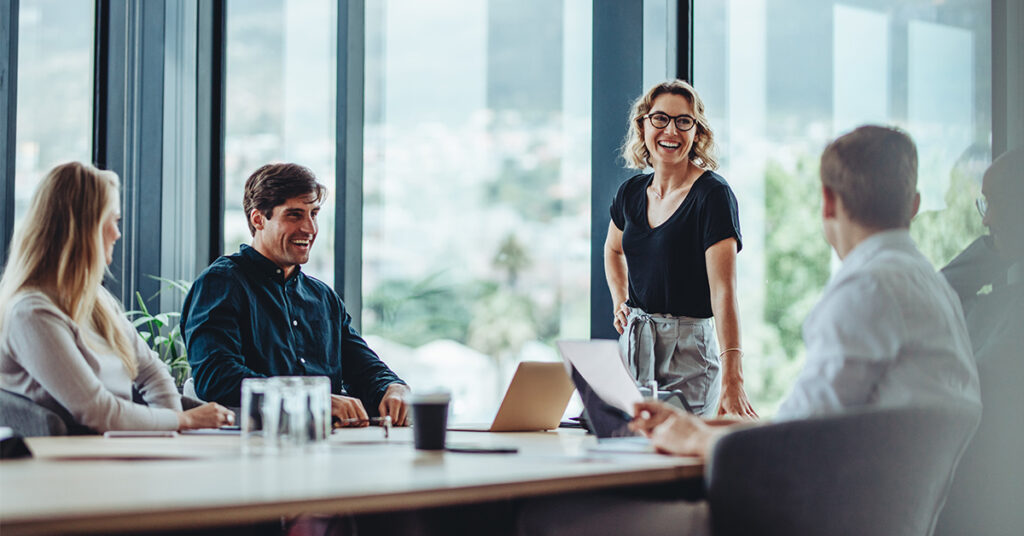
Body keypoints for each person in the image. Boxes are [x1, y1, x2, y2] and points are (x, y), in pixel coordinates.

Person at [520, 126, 981, 535]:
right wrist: (697, 424)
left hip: (793, 519)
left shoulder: (865, 289)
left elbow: (796, 446)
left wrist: (694, 438)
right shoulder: (931, 288)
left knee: (545, 520)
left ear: (827, 202)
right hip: (868, 517)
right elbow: (821, 425)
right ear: (914, 205)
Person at [0, 162, 233, 433]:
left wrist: (171, 429)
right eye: (114, 220)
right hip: (67, 463)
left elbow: (150, 370)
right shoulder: (32, 313)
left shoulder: (95, 299)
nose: (118, 233)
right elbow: (97, 411)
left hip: (112, 449)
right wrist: (184, 420)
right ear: (86, 228)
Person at [181, 163, 410, 426]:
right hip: (250, 448)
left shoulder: (323, 297)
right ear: (258, 219)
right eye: (294, 215)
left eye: (314, 214)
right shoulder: (221, 283)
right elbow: (217, 378)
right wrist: (313, 399)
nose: (310, 228)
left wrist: (393, 386)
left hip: (329, 446)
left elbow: (363, 367)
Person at [605, 79, 755, 418]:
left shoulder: (712, 195)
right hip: (634, 344)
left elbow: (724, 292)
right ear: (643, 125)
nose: (670, 130)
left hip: (688, 351)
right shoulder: (630, 192)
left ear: (697, 132)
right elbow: (613, 250)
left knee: (681, 460)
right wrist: (619, 301)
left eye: (683, 121)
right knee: (630, 453)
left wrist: (734, 377)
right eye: (660, 118)